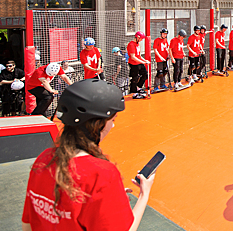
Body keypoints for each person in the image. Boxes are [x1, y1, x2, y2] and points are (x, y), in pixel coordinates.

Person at [21, 79, 155, 231]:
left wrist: (107, 197)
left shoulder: (44, 158)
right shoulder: (101, 174)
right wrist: (144, 194)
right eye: (112, 120)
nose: (113, 125)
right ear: (97, 125)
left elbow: (28, 225)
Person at [127, 32, 151, 99]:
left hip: (139, 63)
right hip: (133, 64)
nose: (141, 40)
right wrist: (143, 62)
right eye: (141, 39)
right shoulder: (131, 44)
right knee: (135, 78)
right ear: (137, 37)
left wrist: (144, 61)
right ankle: (134, 93)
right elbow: (133, 57)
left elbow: (139, 55)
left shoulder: (137, 44)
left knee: (145, 75)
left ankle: (138, 88)